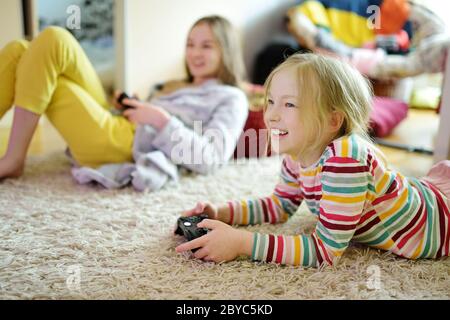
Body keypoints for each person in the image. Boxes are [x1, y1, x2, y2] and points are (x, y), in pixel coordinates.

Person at [175, 53, 450, 267]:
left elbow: (325, 252)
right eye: (270, 101)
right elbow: (279, 206)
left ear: (333, 120)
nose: (271, 115)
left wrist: (241, 243)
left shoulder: (346, 160)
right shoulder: (299, 153)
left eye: (289, 104)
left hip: (439, 220)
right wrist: (220, 212)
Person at [0, 15, 248, 191]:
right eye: (190, 45)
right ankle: (13, 158)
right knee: (32, 45)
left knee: (37, 69)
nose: (195, 53)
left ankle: (13, 159)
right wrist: (133, 106)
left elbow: (212, 158)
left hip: (128, 144)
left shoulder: (231, 97)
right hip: (117, 123)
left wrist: (160, 119)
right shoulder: (175, 84)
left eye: (206, 46)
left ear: (226, 51)